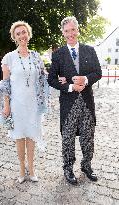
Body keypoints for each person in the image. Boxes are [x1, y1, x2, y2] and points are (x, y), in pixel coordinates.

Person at [48, 16, 102, 185]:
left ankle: (86, 165)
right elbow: (52, 79)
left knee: (88, 136)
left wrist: (85, 79)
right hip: (68, 104)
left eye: (73, 30)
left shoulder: (89, 50)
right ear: (63, 33)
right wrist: (70, 86)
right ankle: (68, 168)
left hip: (86, 103)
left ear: (77, 30)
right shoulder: (58, 55)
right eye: (66, 31)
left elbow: (98, 72)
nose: (70, 34)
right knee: (68, 138)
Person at [0, 21, 48, 184]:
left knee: (32, 136)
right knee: (19, 137)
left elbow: (42, 78)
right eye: (18, 33)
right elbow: (5, 84)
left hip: (33, 105)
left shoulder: (36, 56)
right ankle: (21, 170)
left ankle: (32, 169)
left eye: (24, 32)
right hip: (17, 105)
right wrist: (6, 105)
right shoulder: (9, 58)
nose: (22, 35)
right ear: (14, 37)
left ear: (28, 34)